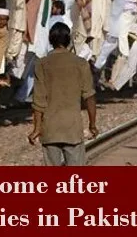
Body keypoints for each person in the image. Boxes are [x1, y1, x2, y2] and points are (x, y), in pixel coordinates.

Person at [29, 22, 98, 166]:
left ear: (50, 41)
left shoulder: (42, 64)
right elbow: (89, 97)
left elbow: (38, 100)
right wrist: (92, 125)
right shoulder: (81, 63)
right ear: (69, 41)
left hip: (50, 128)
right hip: (72, 128)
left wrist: (36, 129)